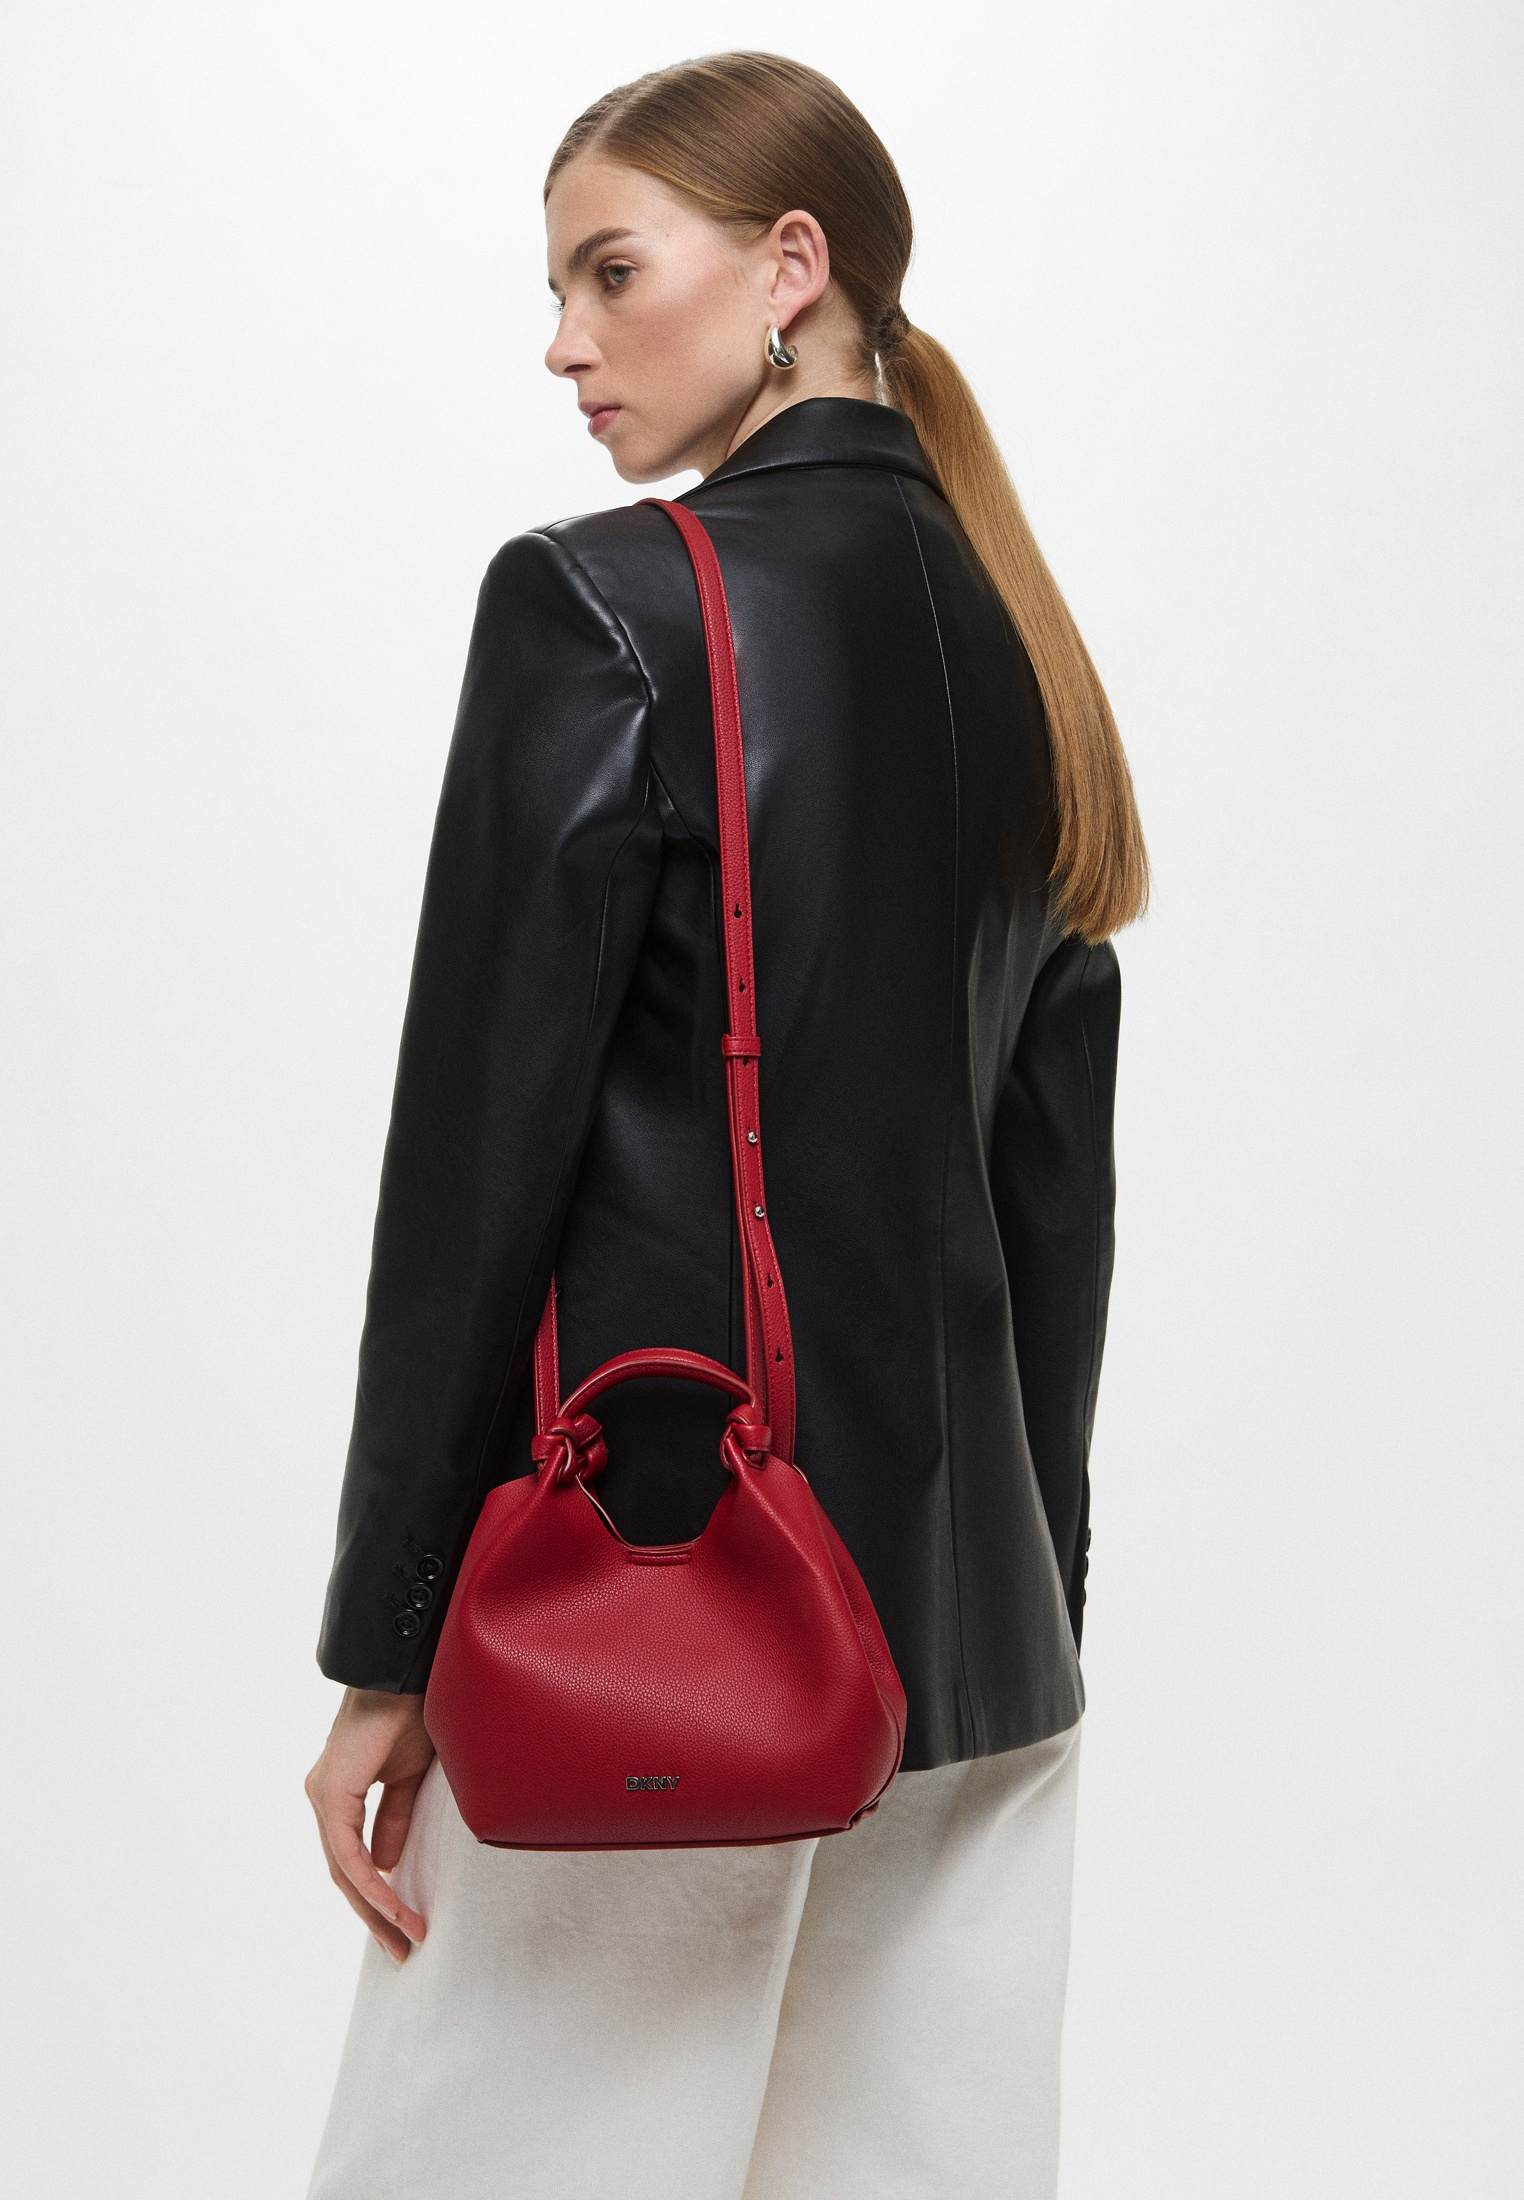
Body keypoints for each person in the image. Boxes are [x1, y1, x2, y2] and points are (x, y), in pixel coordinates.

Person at [302, 48, 1148, 2200]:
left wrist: (393, 1642)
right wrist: (1021, 1600)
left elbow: (475, 1162)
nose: (563, 342)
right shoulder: (1025, 650)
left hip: (663, 1621)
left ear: (790, 267)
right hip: (977, 1663)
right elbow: (1057, 1207)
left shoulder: (604, 602)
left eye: (610, 270)